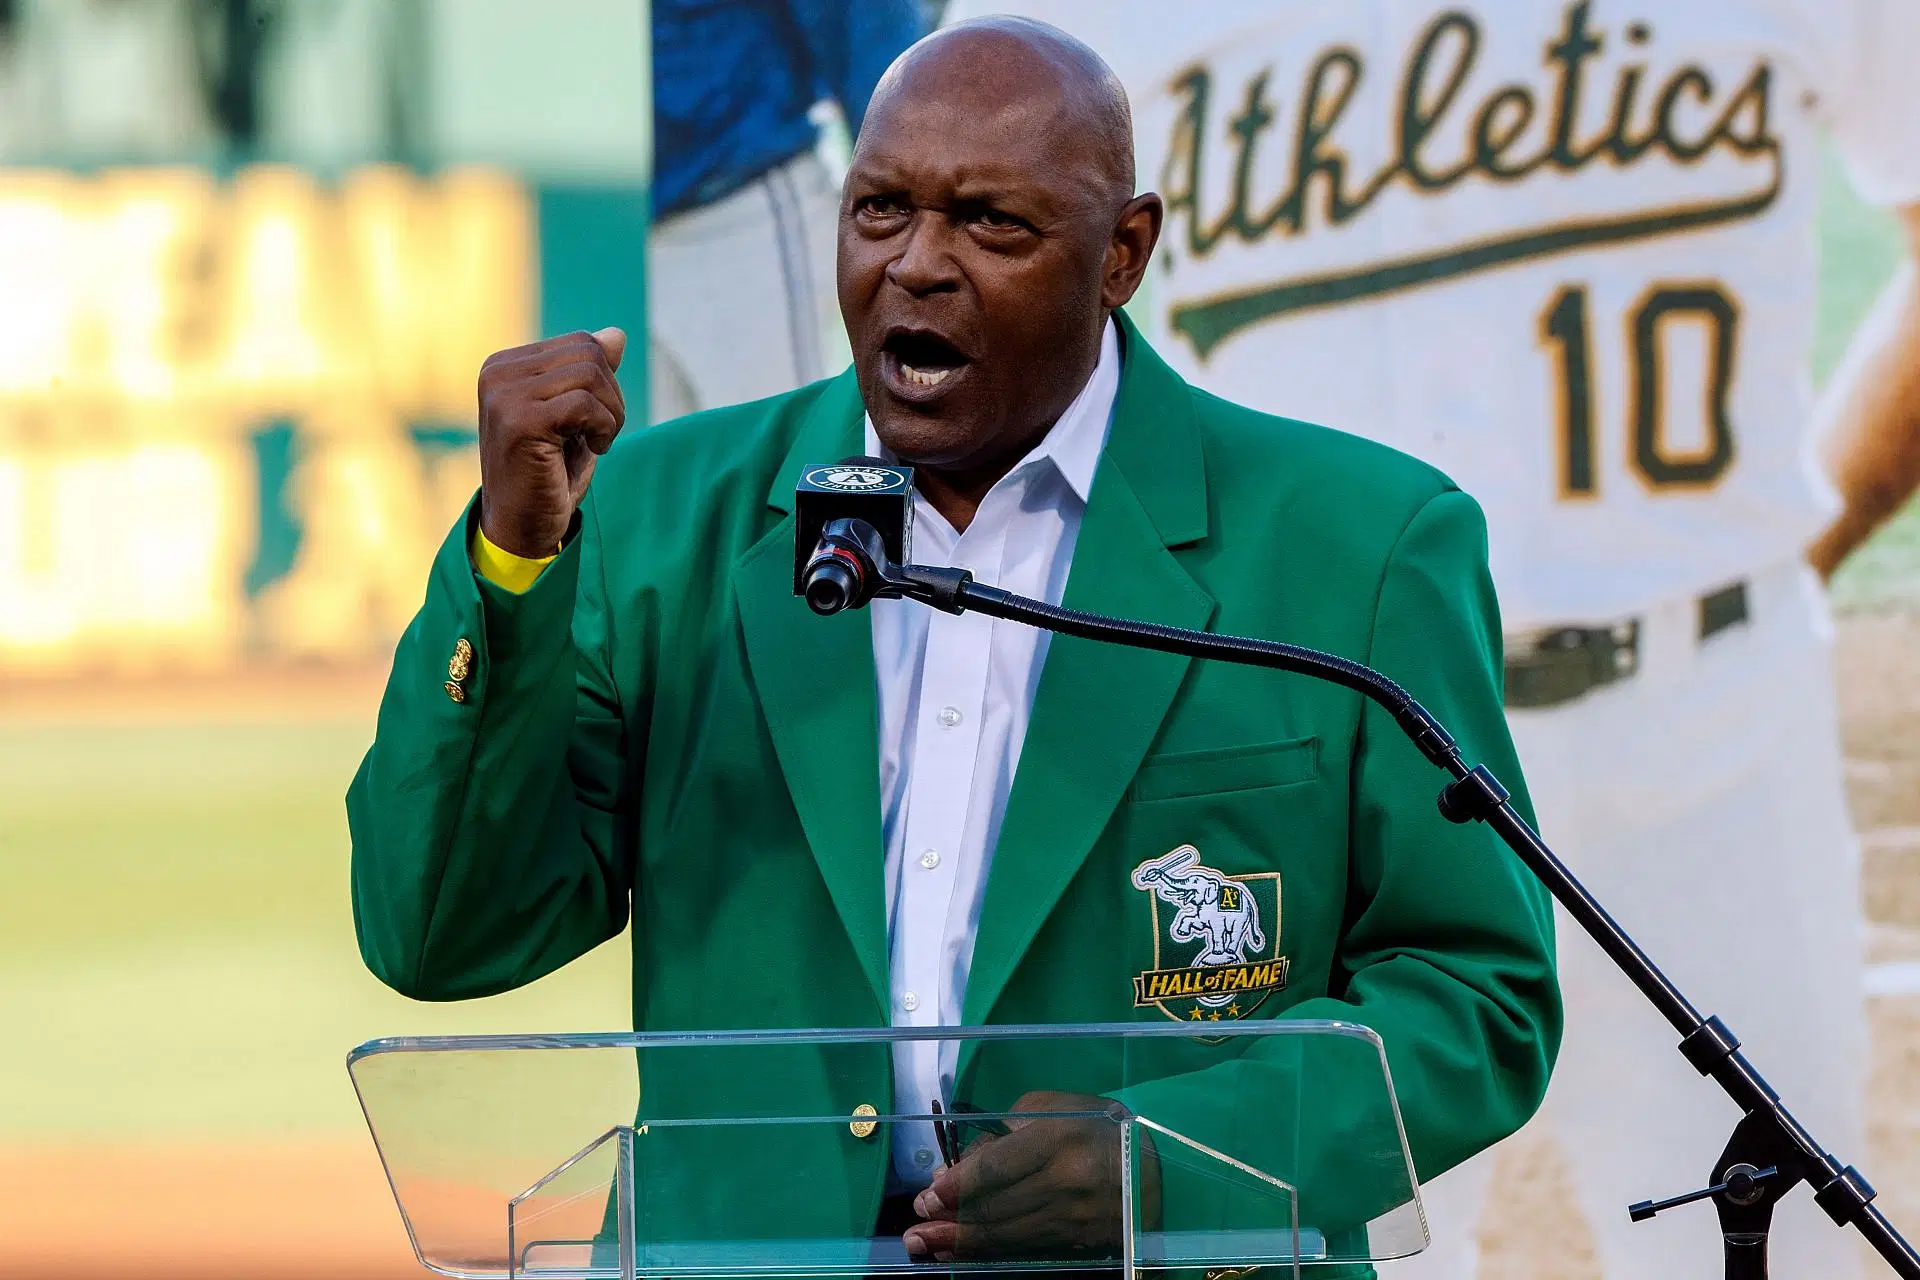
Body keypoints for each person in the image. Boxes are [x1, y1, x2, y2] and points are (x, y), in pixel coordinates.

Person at [348, 17, 1561, 1262]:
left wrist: (1173, 1159)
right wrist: (511, 561)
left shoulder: (1355, 545)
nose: (917, 266)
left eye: (993, 224)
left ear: (1122, 253)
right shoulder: (659, 519)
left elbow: (1478, 994)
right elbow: (441, 931)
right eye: (879, 212)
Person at [938, 2, 1920, 1276]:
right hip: (1297, 749)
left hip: (1713, 712)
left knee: (1768, 1240)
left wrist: (1792, 552)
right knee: (1297, 1227)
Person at [647, 0, 923, 422]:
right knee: (666, 474)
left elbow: (865, 24)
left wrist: (910, 201)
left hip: (743, 209)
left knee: (782, 462)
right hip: (618, 222)